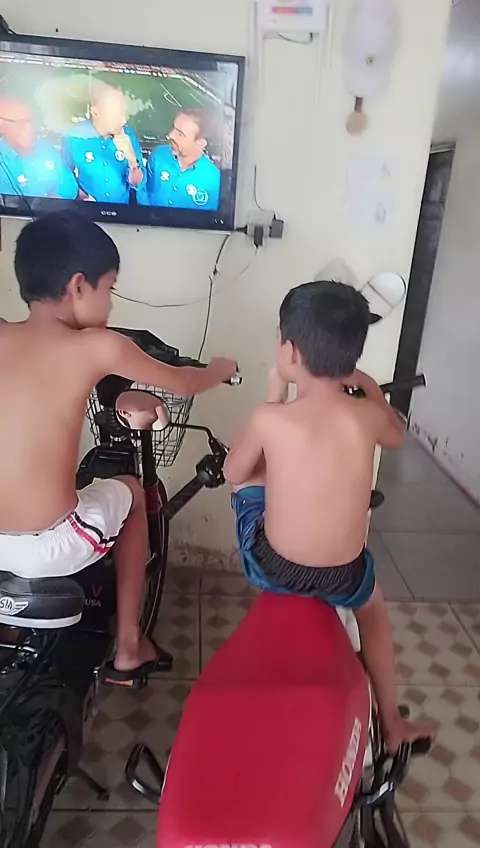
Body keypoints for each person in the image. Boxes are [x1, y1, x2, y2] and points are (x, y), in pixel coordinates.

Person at [0, 211, 237, 683]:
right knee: (128, 490)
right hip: (47, 544)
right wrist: (219, 368)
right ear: (78, 285)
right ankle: (129, 644)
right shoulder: (99, 346)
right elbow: (182, 382)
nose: (109, 305)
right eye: (110, 289)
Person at [224, 281, 435, 754]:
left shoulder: (270, 418)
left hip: (274, 568)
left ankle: (274, 611)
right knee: (373, 611)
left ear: (291, 352)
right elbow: (396, 435)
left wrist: (272, 397)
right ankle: (391, 720)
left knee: (247, 484)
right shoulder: (367, 416)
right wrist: (368, 388)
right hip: (344, 575)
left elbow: (232, 471)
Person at [62, 82, 144, 204]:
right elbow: (64, 173)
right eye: (115, 114)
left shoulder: (128, 135)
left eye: (123, 112)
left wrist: (132, 160)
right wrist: (79, 193)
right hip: (87, 210)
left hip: (122, 209)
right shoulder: (74, 136)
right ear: (95, 113)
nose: (123, 120)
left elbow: (138, 184)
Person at [139, 109, 220, 210]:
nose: (170, 135)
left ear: (200, 143)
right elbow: (144, 191)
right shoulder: (158, 155)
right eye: (174, 128)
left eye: (180, 134)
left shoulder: (214, 180)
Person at [0, 97, 78, 200]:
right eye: (20, 122)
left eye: (32, 121)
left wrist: (56, 199)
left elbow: (69, 185)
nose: (29, 128)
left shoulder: (47, 149)